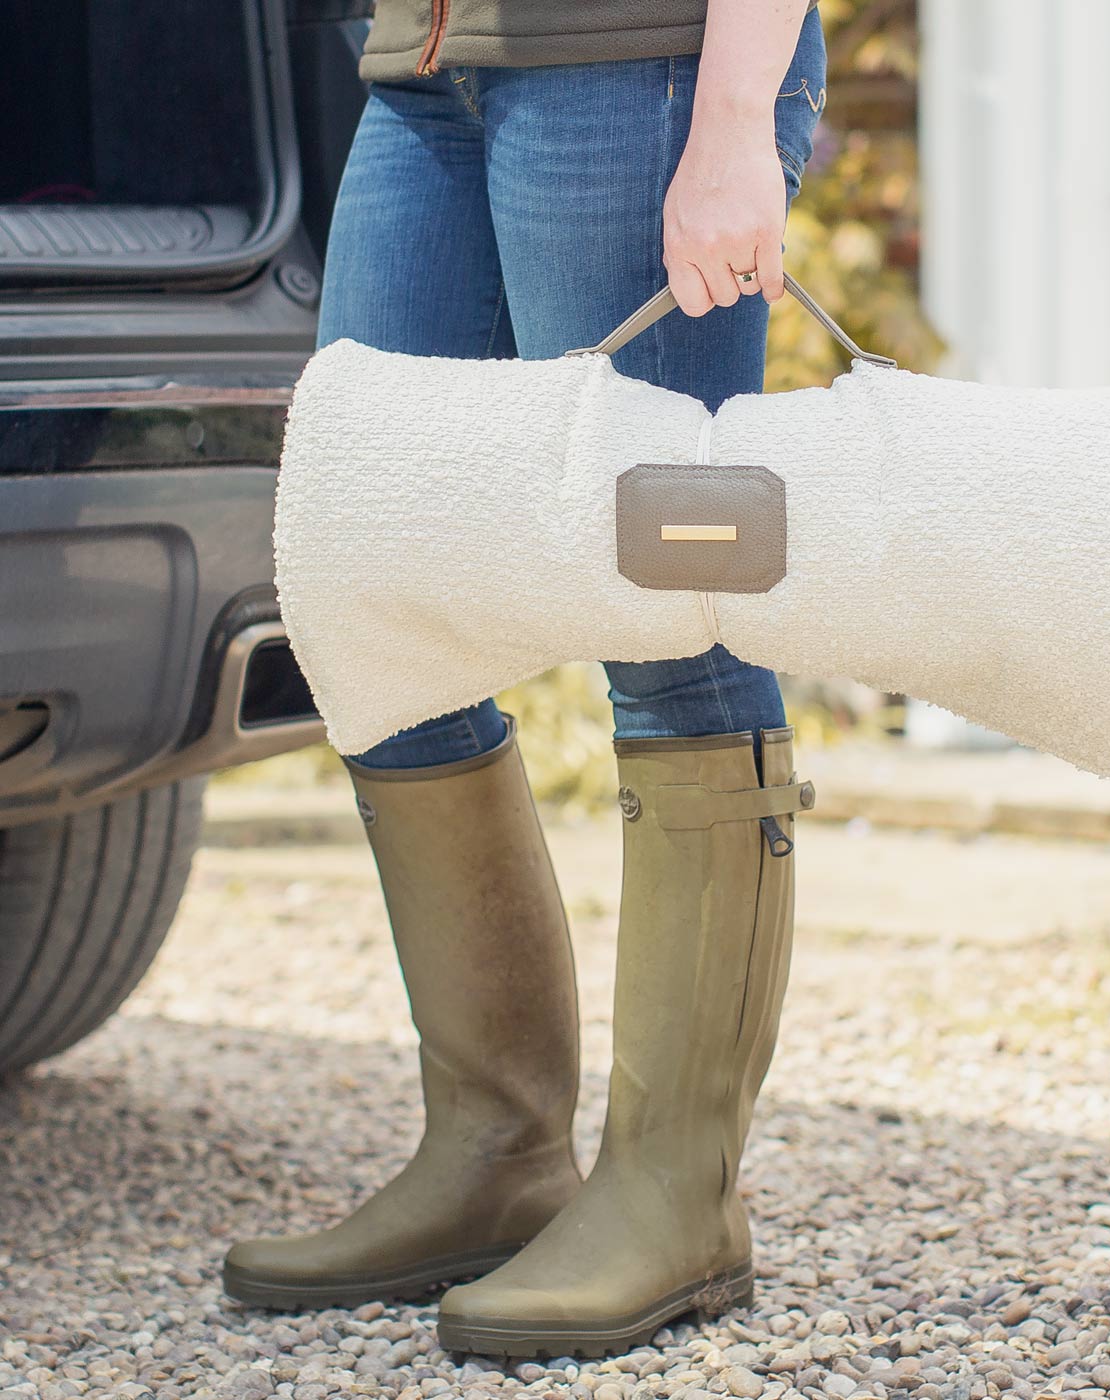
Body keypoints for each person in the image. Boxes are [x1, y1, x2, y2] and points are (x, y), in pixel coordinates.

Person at [223, 0, 827, 1357]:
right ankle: (496, 1149)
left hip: (642, 65)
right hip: (428, 70)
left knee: (674, 608)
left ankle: (678, 1191)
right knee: (374, 582)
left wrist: (736, 120)